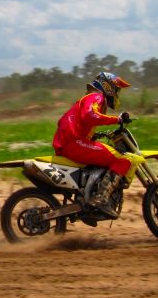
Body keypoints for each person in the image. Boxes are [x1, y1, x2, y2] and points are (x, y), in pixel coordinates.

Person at [52, 71, 133, 218]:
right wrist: (117, 120)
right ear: (108, 87)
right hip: (73, 142)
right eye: (117, 89)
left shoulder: (90, 98)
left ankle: (89, 196)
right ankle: (101, 199)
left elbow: (82, 122)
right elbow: (89, 115)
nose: (117, 93)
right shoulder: (97, 96)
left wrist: (95, 135)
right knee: (122, 160)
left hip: (70, 142)